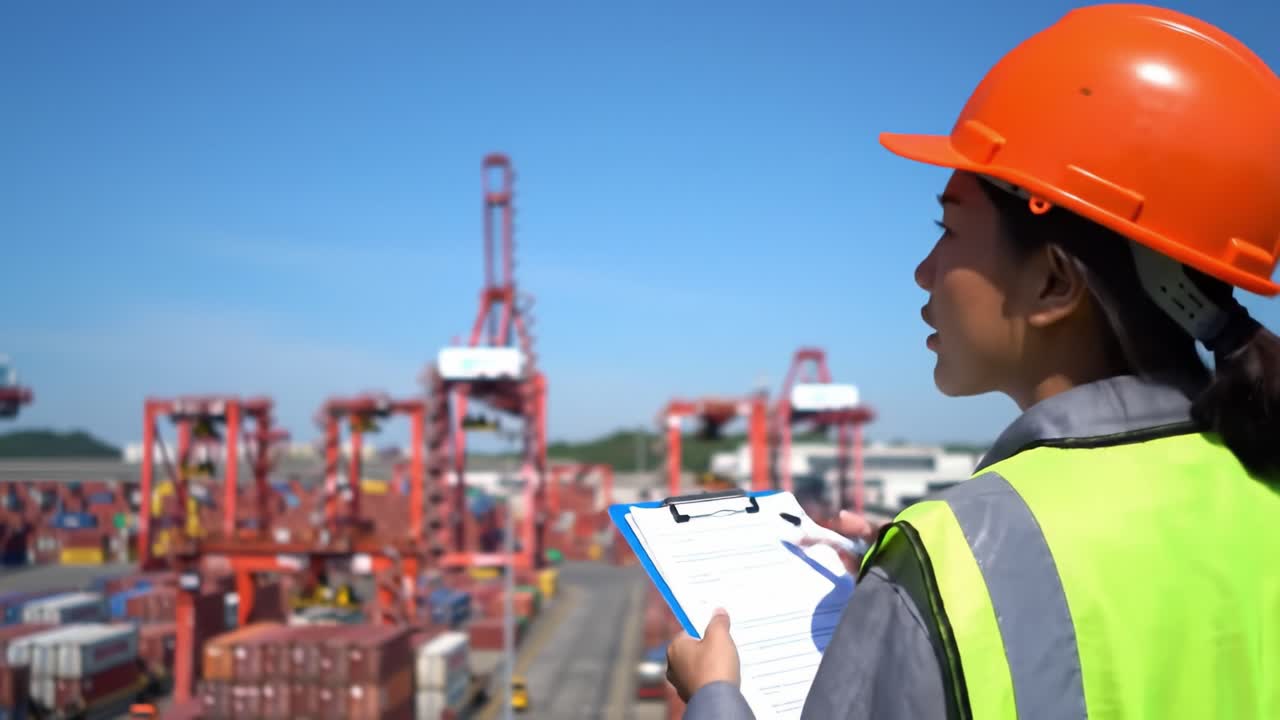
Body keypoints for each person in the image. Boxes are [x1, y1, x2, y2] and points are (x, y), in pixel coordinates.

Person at [666, 4, 1280, 718]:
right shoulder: (1258, 480)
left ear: (1053, 282)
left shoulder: (952, 557)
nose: (925, 271)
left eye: (948, 228)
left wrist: (713, 694)